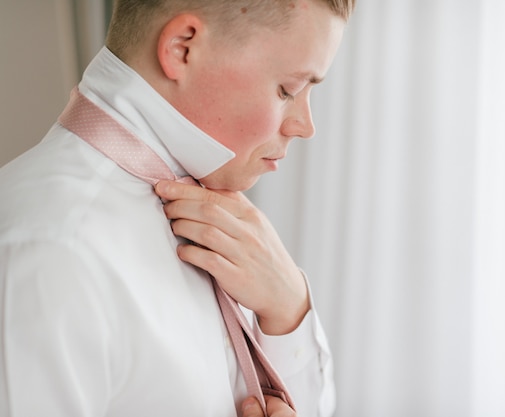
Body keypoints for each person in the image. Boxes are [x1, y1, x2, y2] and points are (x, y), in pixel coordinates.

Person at [0, 0, 354, 416]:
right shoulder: (53, 250)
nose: (305, 126)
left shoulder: (231, 227)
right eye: (288, 90)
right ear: (182, 48)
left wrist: (289, 311)